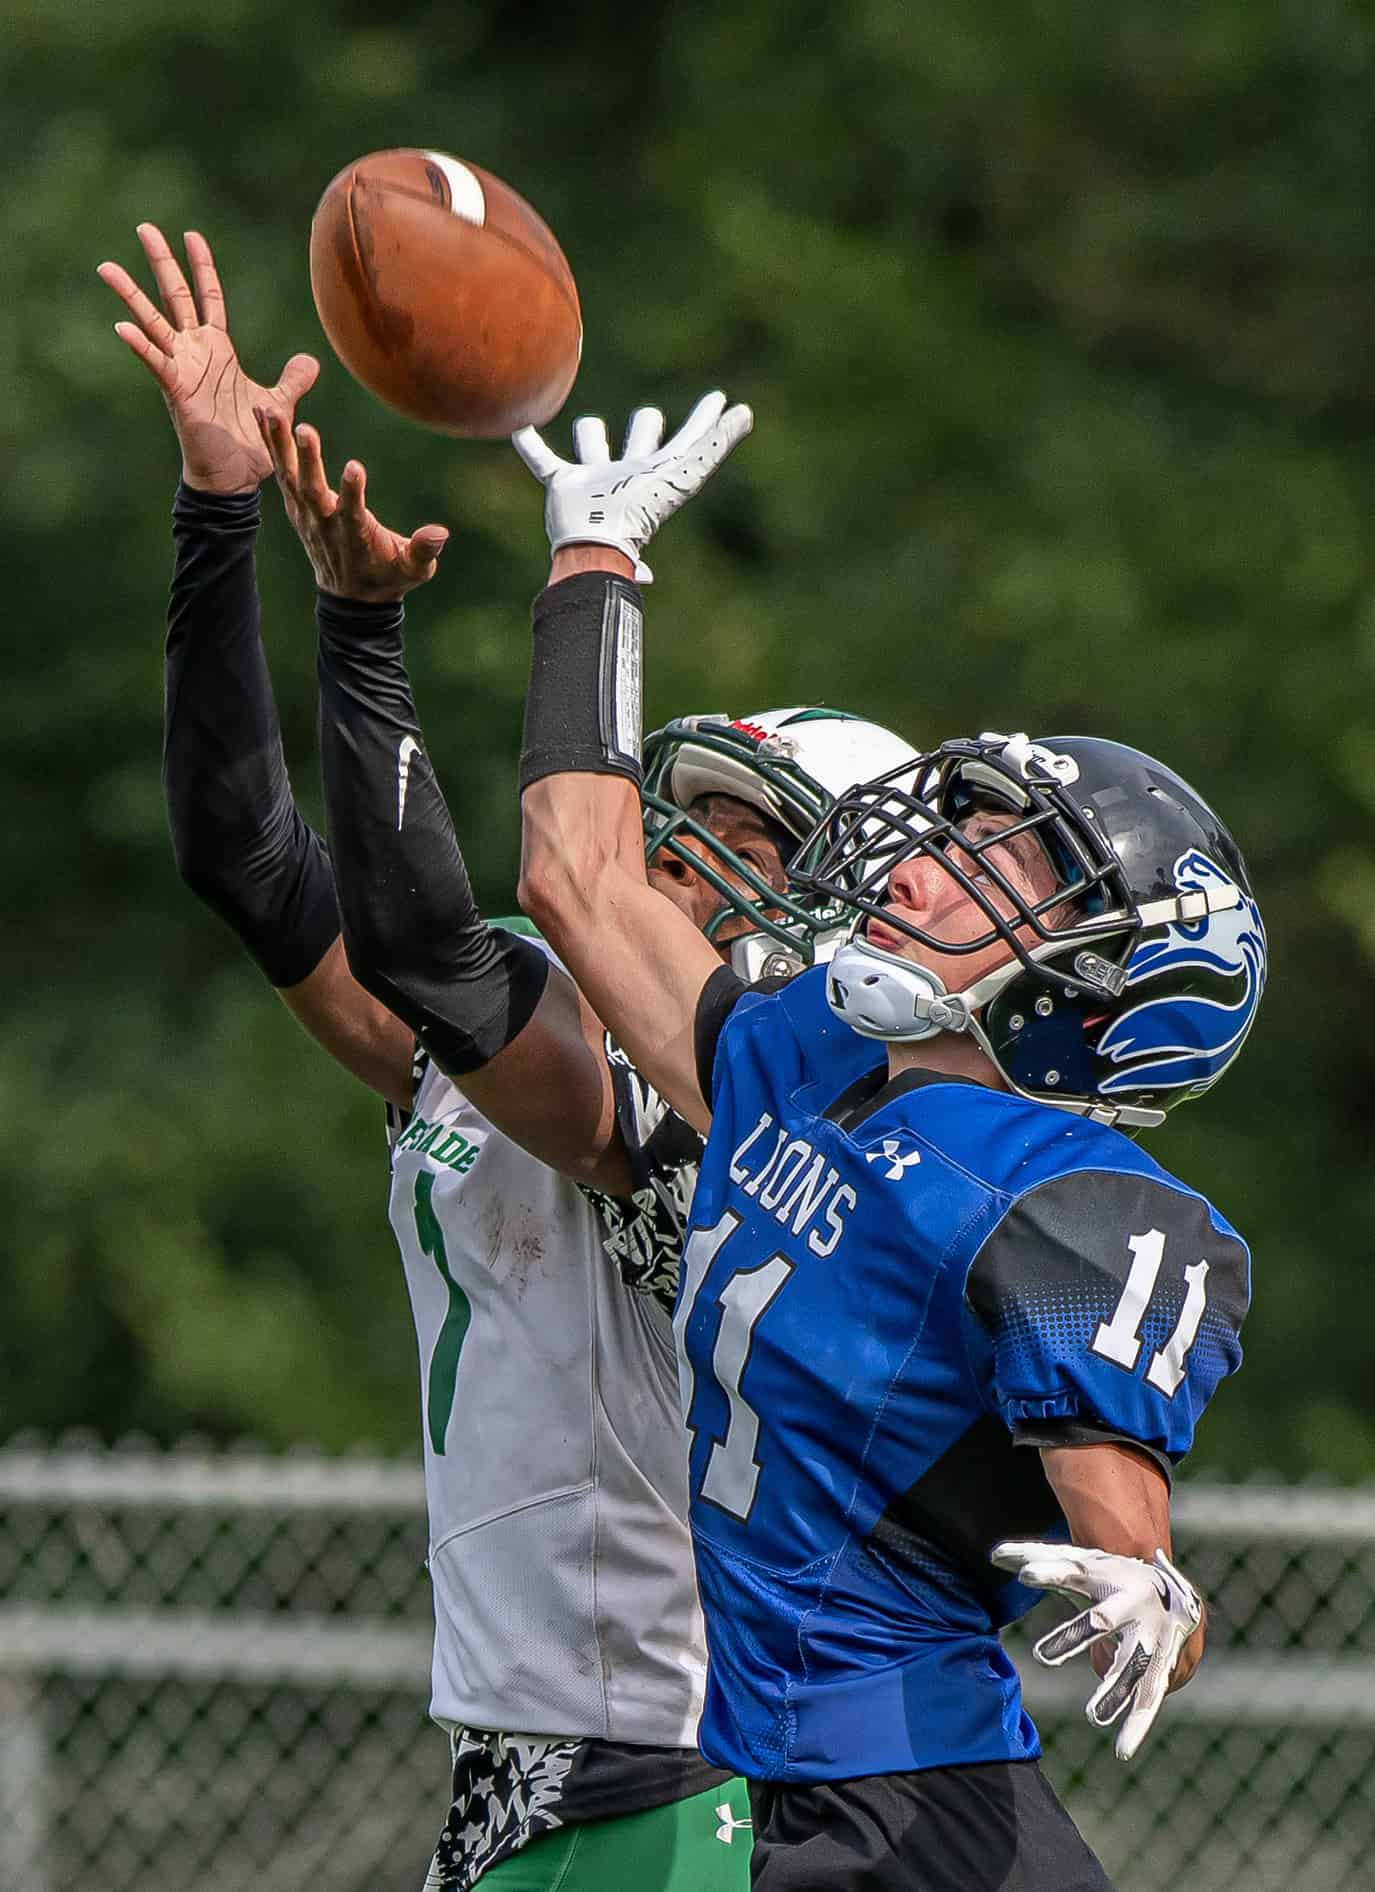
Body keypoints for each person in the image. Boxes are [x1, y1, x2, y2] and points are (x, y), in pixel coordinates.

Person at [97, 225, 914, 1892]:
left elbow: (430, 956)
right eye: (684, 825)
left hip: (683, 1783)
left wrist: (368, 628)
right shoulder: (529, 1041)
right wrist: (218, 508)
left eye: (747, 843)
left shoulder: (746, 1113)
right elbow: (248, 858)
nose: (682, 865)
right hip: (523, 1780)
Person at [513, 402, 1263, 1890]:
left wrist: (1147, 1589)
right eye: (961, 824)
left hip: (923, 1818)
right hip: (806, 1801)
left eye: (1003, 859)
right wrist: (592, 563)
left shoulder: (1061, 1193)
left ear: (1087, 983)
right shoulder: (797, 1060)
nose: (929, 856)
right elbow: (575, 874)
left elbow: (1117, 1507)